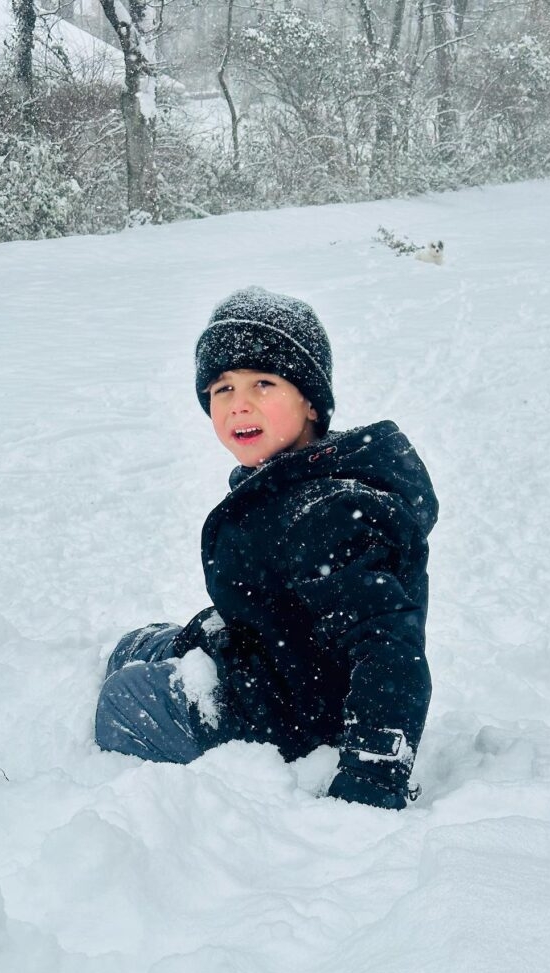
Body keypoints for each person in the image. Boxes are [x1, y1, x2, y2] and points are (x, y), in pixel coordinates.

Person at [96, 286, 438, 810]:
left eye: (263, 383)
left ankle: (171, 800)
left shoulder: (329, 512)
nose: (240, 404)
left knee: (127, 698)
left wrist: (372, 777)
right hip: (281, 665)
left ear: (310, 402)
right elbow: (279, 600)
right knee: (135, 646)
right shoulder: (289, 482)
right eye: (222, 389)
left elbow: (389, 648)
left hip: (298, 717)